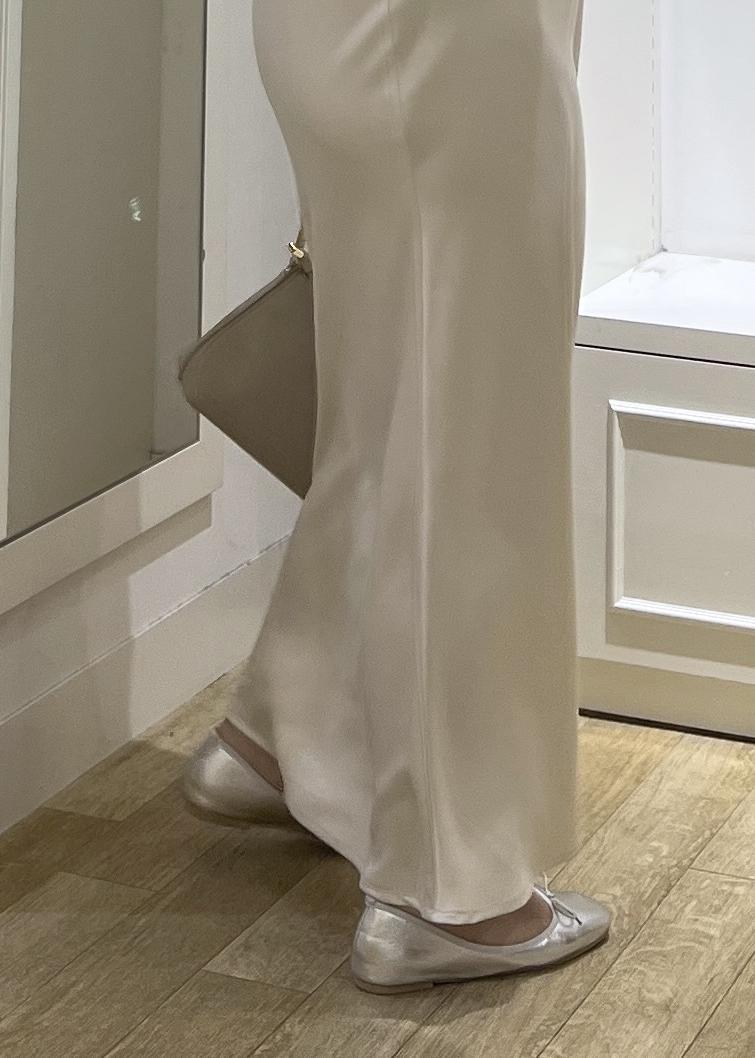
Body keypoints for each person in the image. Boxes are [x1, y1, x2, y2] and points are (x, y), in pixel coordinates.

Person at [183, 0, 611, 994]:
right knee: (471, 430)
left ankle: (282, 730)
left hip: (345, 31)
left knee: (394, 400)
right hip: (450, 35)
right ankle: (450, 890)